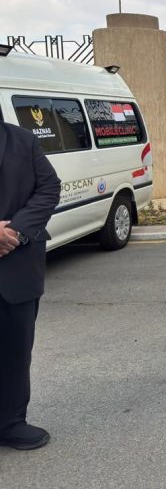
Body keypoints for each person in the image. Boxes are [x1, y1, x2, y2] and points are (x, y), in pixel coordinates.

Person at [0, 121, 61, 450]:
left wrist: (16, 230)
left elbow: (49, 188)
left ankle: (11, 423)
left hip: (18, 265)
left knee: (15, 351)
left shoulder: (21, 139)